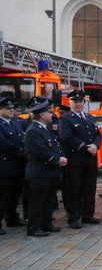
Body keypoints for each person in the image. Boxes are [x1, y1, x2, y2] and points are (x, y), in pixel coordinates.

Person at [23, 97, 67, 237]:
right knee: (38, 201)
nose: (51, 114)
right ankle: (33, 228)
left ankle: (46, 224)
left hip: (49, 172)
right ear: (41, 115)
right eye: (48, 112)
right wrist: (57, 160)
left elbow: (55, 145)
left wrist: (61, 156)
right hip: (39, 173)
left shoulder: (44, 128)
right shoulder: (33, 131)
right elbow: (41, 151)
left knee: (48, 200)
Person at [59, 89, 101, 229]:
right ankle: (73, 218)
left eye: (80, 101)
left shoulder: (90, 117)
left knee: (89, 188)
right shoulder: (65, 118)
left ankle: (88, 215)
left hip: (90, 160)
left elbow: (98, 135)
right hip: (75, 160)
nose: (78, 104)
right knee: (73, 190)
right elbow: (67, 137)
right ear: (70, 103)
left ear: (84, 102)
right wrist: (85, 147)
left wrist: (95, 145)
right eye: (75, 101)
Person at [0, 97, 27, 234]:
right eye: (8, 108)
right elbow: (3, 142)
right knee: (2, 195)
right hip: (5, 165)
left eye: (12, 108)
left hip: (18, 164)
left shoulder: (15, 122)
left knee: (14, 194)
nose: (12, 110)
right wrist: (20, 150)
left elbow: (22, 138)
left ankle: (12, 217)